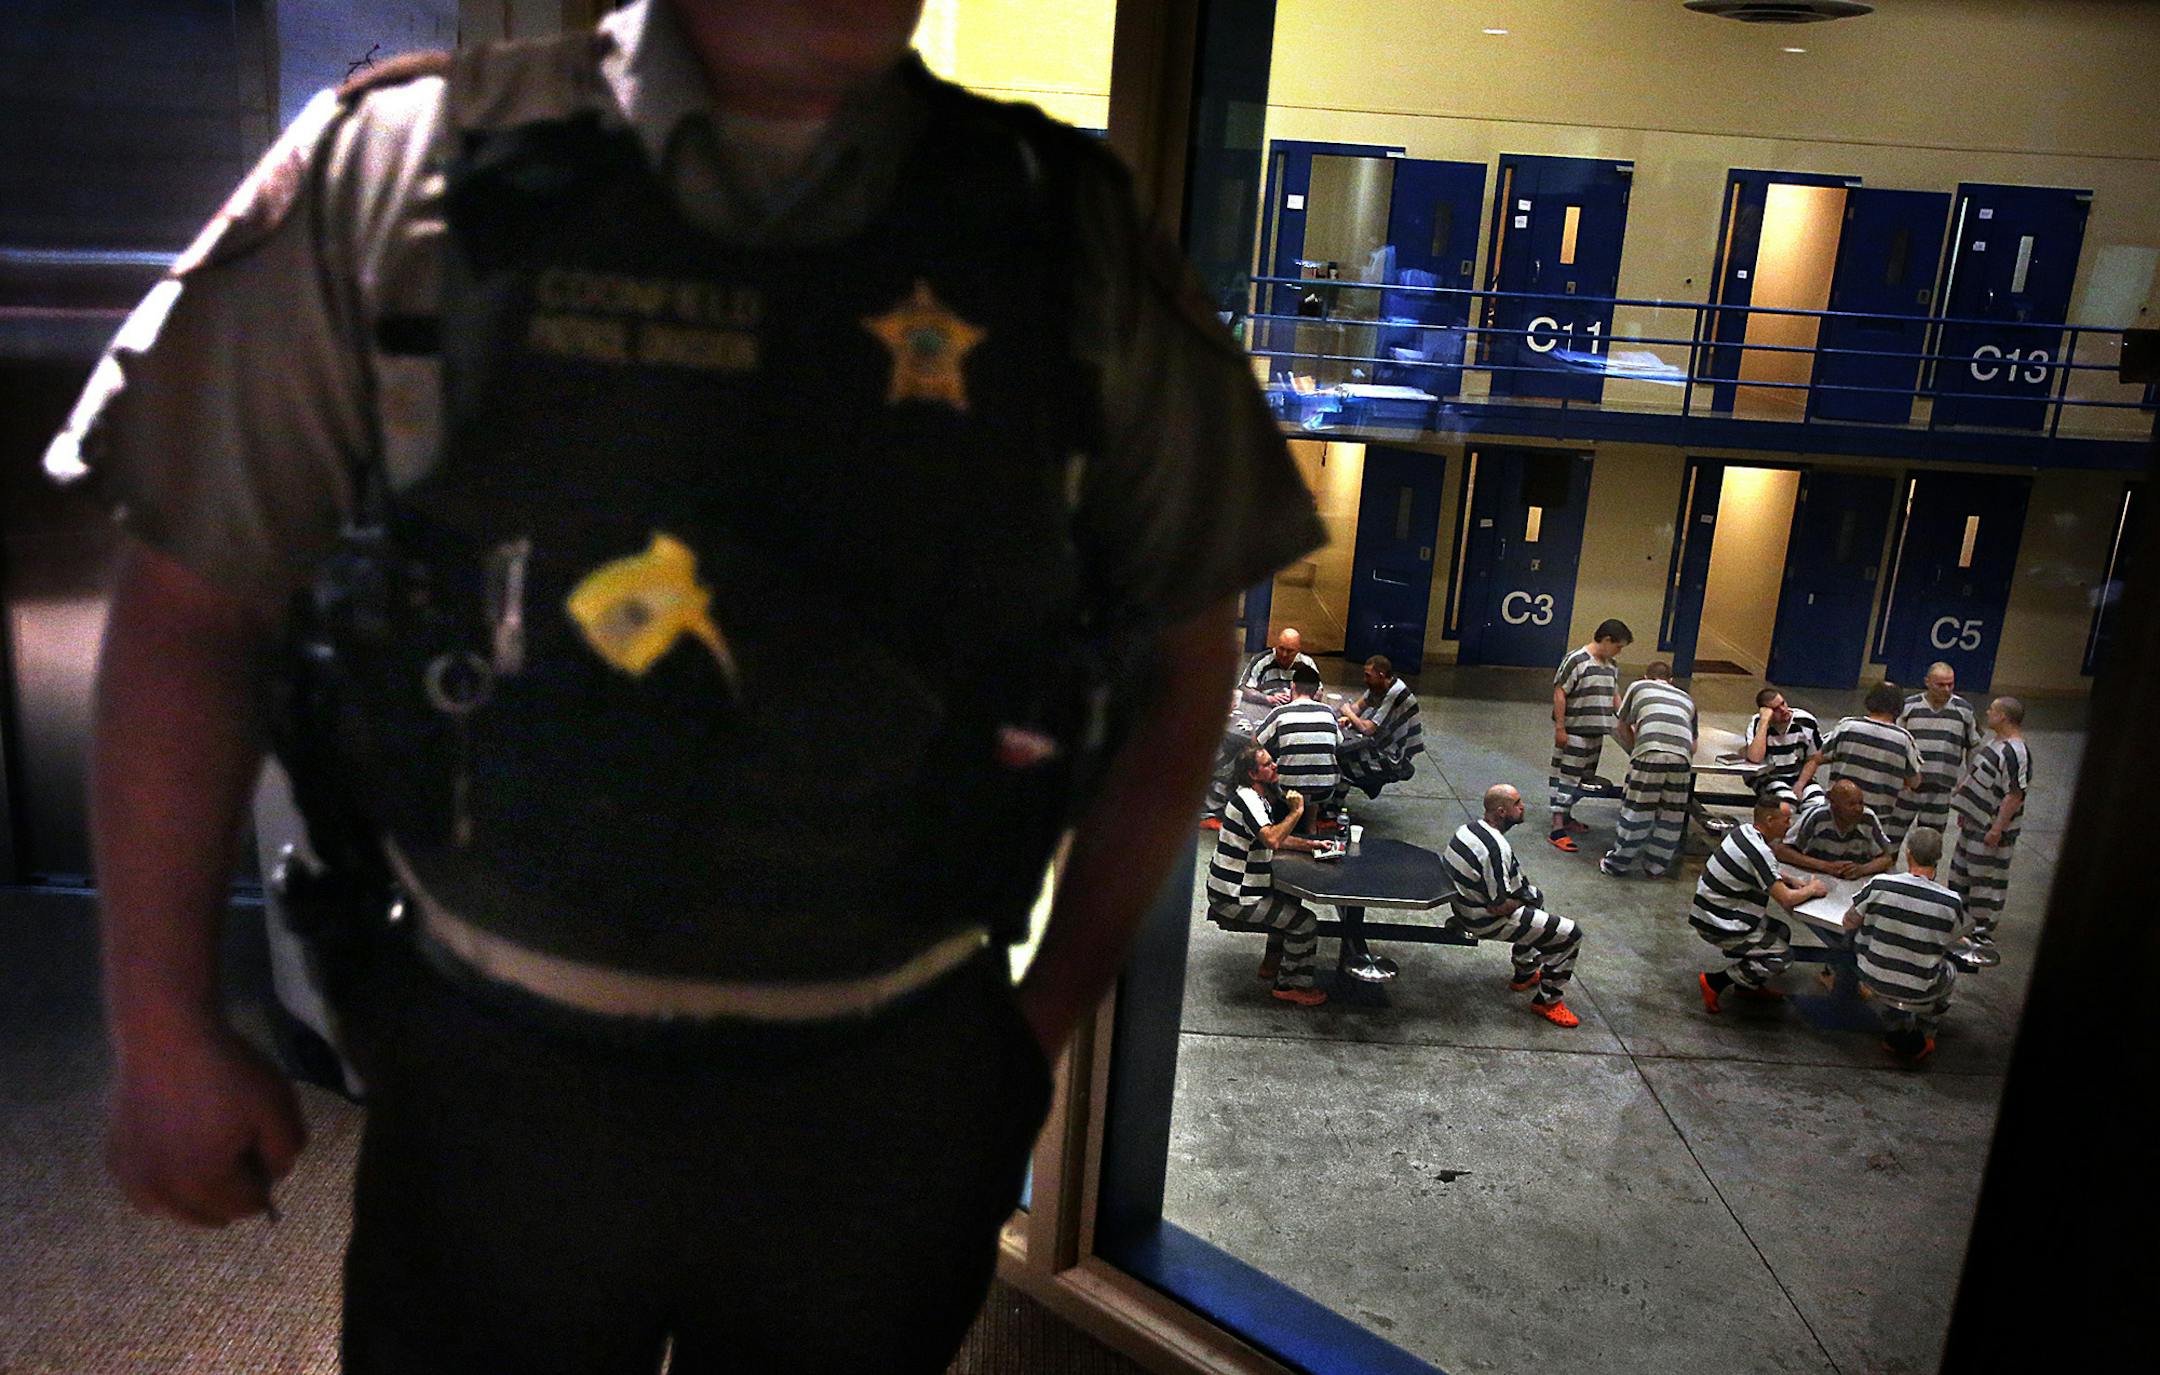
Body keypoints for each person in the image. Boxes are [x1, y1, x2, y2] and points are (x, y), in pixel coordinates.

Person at [52, 2, 1328, 1368]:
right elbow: (195, 603)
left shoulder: (1062, 227)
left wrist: (1037, 1027)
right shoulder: (400, 169)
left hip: (886, 1091)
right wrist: (166, 1018)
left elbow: (1187, 641)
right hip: (493, 1071)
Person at [1441, 785, 1585, 1028]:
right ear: (1501, 812)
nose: (1523, 807)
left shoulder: (1468, 829)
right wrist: (1525, 898)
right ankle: (1548, 1001)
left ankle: (1525, 972)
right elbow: (1499, 906)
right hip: (1483, 920)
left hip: (1465, 906)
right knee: (1570, 934)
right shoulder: (1495, 849)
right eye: (1517, 803)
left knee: (1535, 904)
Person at [1205, 746, 1333, 1007]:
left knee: (1289, 901)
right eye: (1267, 764)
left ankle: (1271, 965)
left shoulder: (1253, 796)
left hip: (1237, 889)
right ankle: (1290, 985)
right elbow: (1273, 838)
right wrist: (1297, 812)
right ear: (1253, 774)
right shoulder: (1249, 801)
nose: (1274, 766)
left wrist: (1312, 845)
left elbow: (1273, 835)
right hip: (1234, 897)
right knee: (1305, 923)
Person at [1691, 798, 1829, 1012]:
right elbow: (1786, 899)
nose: (1790, 824)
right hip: (1720, 923)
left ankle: (1747, 985)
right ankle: (1715, 982)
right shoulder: (1760, 850)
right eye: (1786, 820)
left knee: (1781, 932)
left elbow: (1761, 869)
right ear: (1770, 819)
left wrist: (1790, 879)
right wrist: (1812, 889)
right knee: (1782, 956)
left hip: (1710, 910)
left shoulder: (1744, 832)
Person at [1843, 826, 1966, 1064]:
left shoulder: (1880, 885)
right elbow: (1954, 941)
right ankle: (1926, 1031)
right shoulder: (1951, 902)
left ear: (1907, 853)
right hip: (1919, 987)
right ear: (1939, 858)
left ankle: (1891, 1020)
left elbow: (1849, 921)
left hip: (1871, 976)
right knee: (1950, 971)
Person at [1948, 696, 2032, 970]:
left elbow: (2014, 794)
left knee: (1985, 881)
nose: (1987, 713)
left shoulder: (2016, 752)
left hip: (1989, 830)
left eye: (1992, 711)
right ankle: (1960, 925)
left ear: (2004, 717)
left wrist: (1997, 828)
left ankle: (1980, 932)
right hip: (1972, 824)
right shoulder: (1994, 743)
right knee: (1961, 874)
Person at [1601, 660, 1697, 879]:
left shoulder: (1639, 687)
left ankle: (1617, 863)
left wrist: (1636, 751)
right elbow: (1693, 744)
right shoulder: (1687, 699)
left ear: (1646, 677)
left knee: (1637, 809)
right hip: (1682, 757)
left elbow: (1622, 724)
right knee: (1671, 815)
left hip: (1650, 751)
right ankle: (1656, 867)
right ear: (1671, 681)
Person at [1548, 618, 1631, 852]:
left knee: (1584, 778)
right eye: (1618, 646)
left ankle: (1567, 816)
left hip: (1597, 732)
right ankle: (1556, 828)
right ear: (1606, 640)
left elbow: (1615, 697)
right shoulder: (1576, 661)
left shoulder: (1611, 666)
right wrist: (1561, 728)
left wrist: (1627, 718)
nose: (1619, 651)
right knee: (1566, 778)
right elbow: (1560, 693)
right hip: (1575, 732)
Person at [1795, 682, 1922, 826]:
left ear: (1870, 701)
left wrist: (1800, 785)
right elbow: (1915, 782)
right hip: (1875, 820)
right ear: (1899, 707)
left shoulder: (1847, 727)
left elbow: (1816, 758)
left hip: (1836, 815)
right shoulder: (1904, 740)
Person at [1891, 662, 1982, 853]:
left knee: (1929, 848)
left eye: (1950, 684)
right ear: (1927, 682)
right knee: (1891, 839)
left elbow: (1974, 747)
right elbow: (1895, 743)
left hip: (1941, 790)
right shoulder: (1908, 707)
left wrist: (1967, 780)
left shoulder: (1964, 710)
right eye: (1941, 685)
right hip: (1907, 789)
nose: (1946, 689)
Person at [1253, 664, 1341, 833]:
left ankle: (1270, 822)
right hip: (1324, 789)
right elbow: (1338, 742)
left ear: (1292, 686)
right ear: (1317, 691)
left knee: (1265, 768)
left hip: (1287, 788)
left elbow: (1255, 742)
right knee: (1316, 769)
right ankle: (1311, 827)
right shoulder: (1329, 713)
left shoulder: (1280, 713)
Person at [1336, 653, 1424, 799]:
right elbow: (1357, 707)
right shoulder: (1379, 686)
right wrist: (1347, 716)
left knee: (1340, 765)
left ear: (1381, 675)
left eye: (1368, 675)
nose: (1365, 680)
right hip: (1381, 743)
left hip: (1394, 755)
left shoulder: (1396, 692)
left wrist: (1348, 713)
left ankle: (1334, 808)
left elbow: (1368, 729)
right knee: (1343, 754)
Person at [1775, 780, 1895, 881]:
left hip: (1854, 884)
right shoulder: (1816, 817)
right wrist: (1825, 866)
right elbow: (1781, 851)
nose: (1858, 809)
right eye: (1851, 804)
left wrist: (1861, 869)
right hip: (1818, 880)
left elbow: (1887, 859)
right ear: (1834, 805)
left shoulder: (1868, 818)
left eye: (1860, 803)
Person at [1742, 687, 1824, 809]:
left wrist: (1800, 784)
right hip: (1768, 777)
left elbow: (1814, 758)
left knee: (1819, 803)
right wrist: (1764, 723)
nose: (1784, 710)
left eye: (1783, 703)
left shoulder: (1806, 721)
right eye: (1776, 709)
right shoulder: (1757, 723)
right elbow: (1755, 758)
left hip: (1799, 776)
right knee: (1786, 802)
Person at [1238, 627, 1319, 705]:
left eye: (1290, 651)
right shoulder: (1261, 660)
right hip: (1264, 708)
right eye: (1281, 648)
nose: (1284, 654)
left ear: (1298, 650)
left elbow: (1318, 693)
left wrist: (1294, 698)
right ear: (1275, 645)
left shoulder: (1307, 664)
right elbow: (1243, 689)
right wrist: (1268, 698)